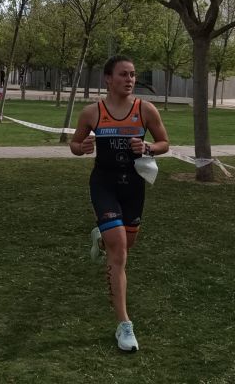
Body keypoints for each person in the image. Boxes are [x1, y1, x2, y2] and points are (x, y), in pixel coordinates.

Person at [69, 54, 169, 353]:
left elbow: (165, 143)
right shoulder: (92, 112)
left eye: (133, 74)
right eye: (124, 74)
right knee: (120, 251)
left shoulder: (145, 110)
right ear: (108, 79)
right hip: (104, 184)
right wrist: (82, 147)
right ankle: (124, 325)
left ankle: (102, 237)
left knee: (126, 245)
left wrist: (149, 146)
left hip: (134, 186)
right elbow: (74, 145)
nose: (130, 79)